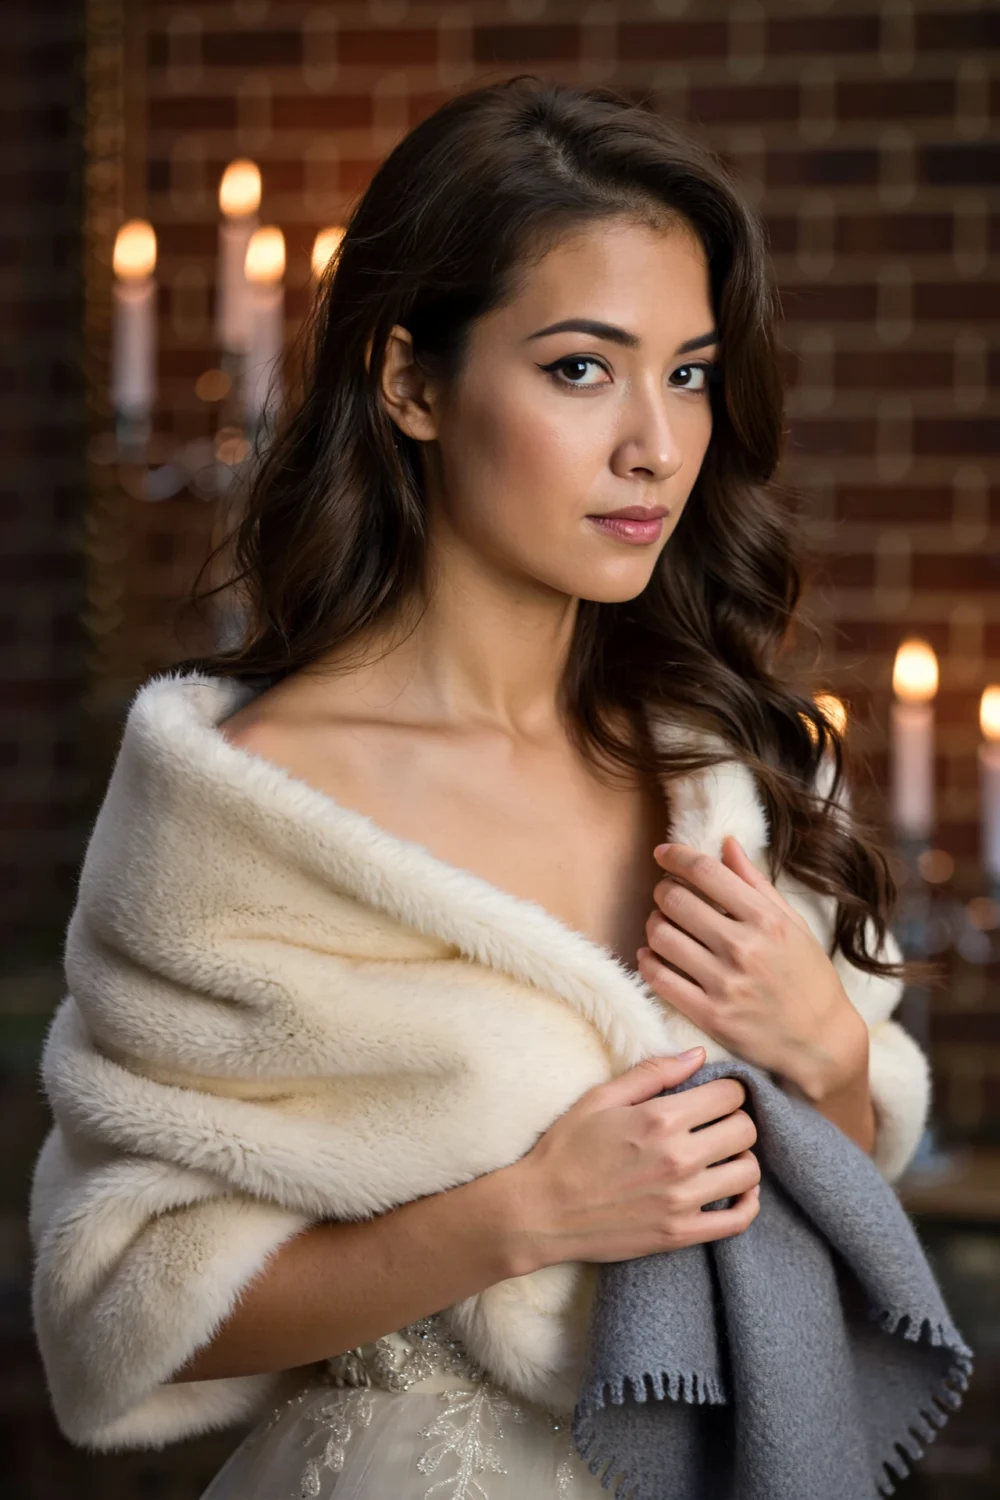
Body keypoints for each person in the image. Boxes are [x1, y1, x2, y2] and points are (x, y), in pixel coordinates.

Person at [32, 76, 930, 1499]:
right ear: (412, 382)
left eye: (688, 372)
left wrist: (820, 1046)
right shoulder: (253, 809)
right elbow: (115, 1305)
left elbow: (851, 1167)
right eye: (583, 367)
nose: (655, 444)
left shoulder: (724, 767)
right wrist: (518, 1217)